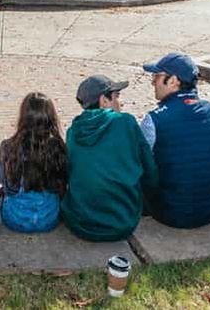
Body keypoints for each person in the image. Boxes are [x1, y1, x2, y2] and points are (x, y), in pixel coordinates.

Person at [61, 75, 158, 242]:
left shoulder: (73, 131)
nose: (119, 103)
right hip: (122, 222)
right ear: (103, 101)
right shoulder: (126, 122)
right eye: (116, 97)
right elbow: (149, 170)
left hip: (79, 222)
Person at [140, 52, 210, 229]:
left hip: (171, 212)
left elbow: (140, 165)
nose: (152, 83)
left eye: (156, 77)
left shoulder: (154, 120)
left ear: (173, 80)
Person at [0, 92, 68, 233]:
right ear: (51, 118)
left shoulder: (8, 147)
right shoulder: (58, 146)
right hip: (49, 218)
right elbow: (60, 186)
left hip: (14, 219)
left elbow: (9, 188)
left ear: (23, 117)